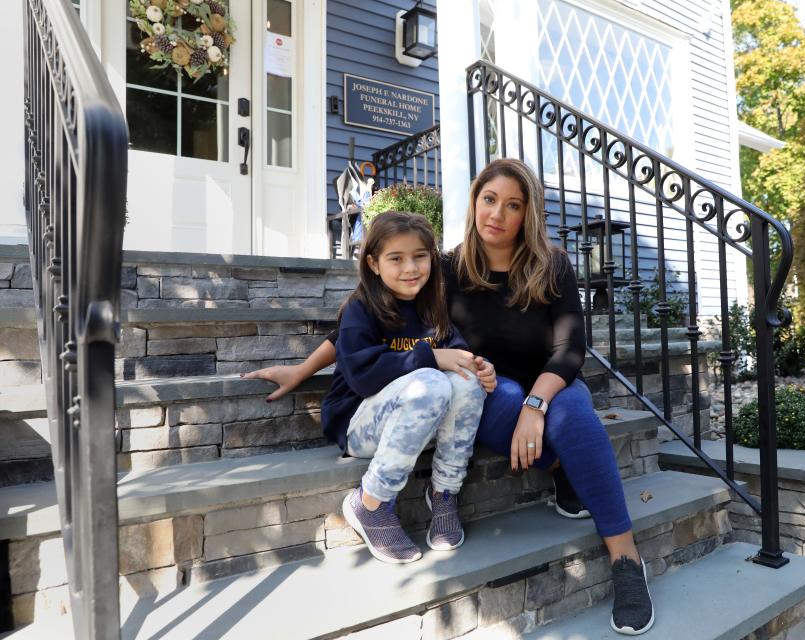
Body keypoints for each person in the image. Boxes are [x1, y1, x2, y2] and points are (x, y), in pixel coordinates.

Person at [443, 158, 654, 635]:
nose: (496, 213)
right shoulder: (449, 268)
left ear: (527, 214)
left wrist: (536, 407)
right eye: (489, 199)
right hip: (491, 388)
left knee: (574, 414)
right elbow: (379, 312)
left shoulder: (551, 264)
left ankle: (626, 558)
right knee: (494, 400)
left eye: (512, 205)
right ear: (475, 201)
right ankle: (562, 468)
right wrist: (306, 366)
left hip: (551, 382)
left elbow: (570, 348)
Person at [264, 211, 492, 564]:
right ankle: (371, 503)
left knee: (467, 380)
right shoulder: (360, 310)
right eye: (395, 259)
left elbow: (457, 354)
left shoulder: (433, 308)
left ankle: (445, 493)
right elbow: (363, 376)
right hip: (360, 423)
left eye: (420, 256)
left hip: (416, 421)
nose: (410, 268)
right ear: (373, 263)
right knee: (431, 380)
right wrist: (431, 357)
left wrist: (478, 367)